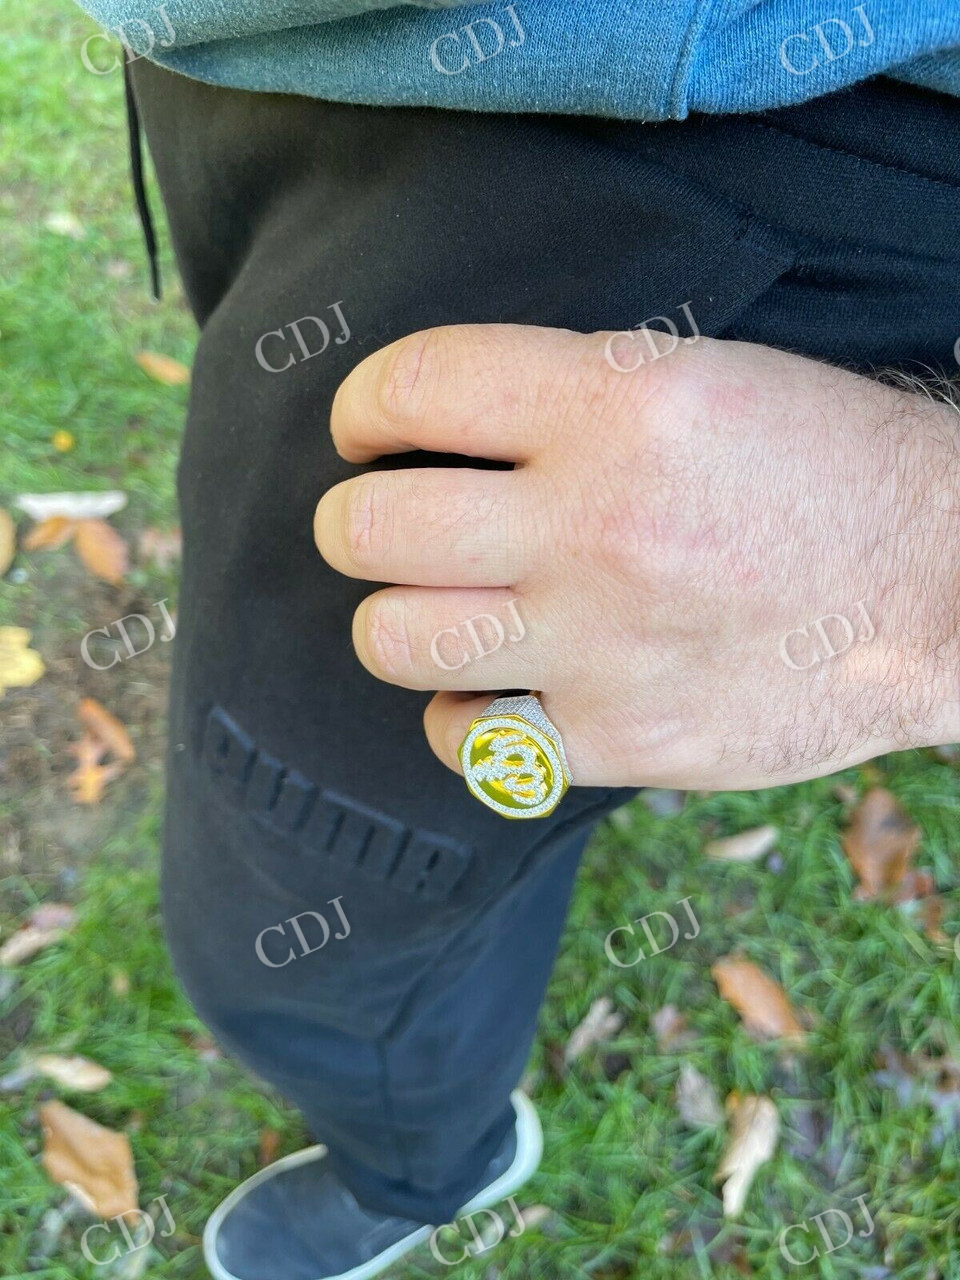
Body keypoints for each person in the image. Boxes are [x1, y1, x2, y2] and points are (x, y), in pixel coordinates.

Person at [72, 3, 960, 1277]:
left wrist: (922, 568)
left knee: (299, 902)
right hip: (248, 58)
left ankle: (424, 1165)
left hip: (721, 159)